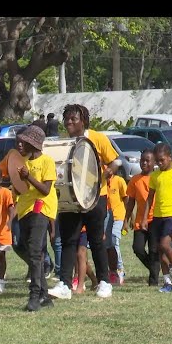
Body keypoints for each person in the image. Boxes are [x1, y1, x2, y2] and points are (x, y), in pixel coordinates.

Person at [48, 104, 119, 300]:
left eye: (74, 119)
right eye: (67, 119)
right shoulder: (64, 142)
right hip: (71, 198)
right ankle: (64, 284)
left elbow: (115, 160)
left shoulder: (97, 138)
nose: (69, 122)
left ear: (84, 121)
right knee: (69, 240)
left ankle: (104, 282)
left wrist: (110, 169)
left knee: (97, 241)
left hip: (95, 196)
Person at [12, 125, 57, 311]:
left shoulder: (47, 162)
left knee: (34, 249)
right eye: (19, 142)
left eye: (23, 142)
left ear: (34, 143)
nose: (19, 145)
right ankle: (45, 295)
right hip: (24, 210)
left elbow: (45, 190)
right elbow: (17, 188)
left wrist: (28, 177)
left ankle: (35, 295)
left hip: (41, 208)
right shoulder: (21, 162)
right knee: (20, 246)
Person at [141, 143, 172, 292]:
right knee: (159, 251)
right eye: (158, 161)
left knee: (165, 245)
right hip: (157, 217)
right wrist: (144, 218)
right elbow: (149, 199)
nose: (160, 163)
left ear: (170, 157)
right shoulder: (155, 176)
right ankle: (168, 282)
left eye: (162, 160)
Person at [123, 149, 159, 286]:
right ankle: (154, 268)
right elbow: (131, 201)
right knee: (137, 248)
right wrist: (126, 219)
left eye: (147, 160)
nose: (144, 163)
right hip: (140, 221)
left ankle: (153, 281)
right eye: (142, 160)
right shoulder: (135, 180)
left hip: (155, 219)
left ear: (154, 162)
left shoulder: (156, 177)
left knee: (154, 249)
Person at [105, 173, 127, 284]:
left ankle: (120, 269)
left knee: (114, 239)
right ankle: (111, 270)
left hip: (119, 216)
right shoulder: (102, 182)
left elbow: (126, 198)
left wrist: (128, 219)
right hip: (107, 217)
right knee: (108, 243)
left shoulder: (119, 180)